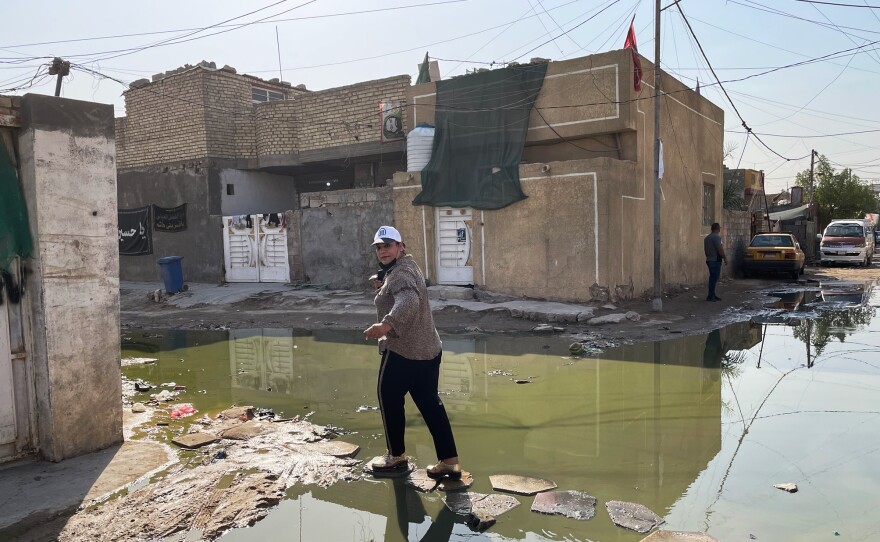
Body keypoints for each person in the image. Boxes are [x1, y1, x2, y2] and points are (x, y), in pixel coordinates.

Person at [363, 225, 462, 480]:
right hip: (429, 349)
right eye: (379, 247)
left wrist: (387, 324)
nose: (383, 251)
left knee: (388, 398)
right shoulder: (407, 267)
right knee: (431, 404)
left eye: (388, 246)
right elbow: (402, 289)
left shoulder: (399, 275)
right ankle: (450, 463)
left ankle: (396, 457)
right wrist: (382, 284)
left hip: (404, 351)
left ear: (400, 246)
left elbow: (408, 299)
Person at [704, 222, 727, 302]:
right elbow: (719, 249)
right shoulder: (716, 237)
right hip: (715, 260)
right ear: (718, 229)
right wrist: (725, 258)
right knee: (714, 278)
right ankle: (711, 296)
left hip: (709, 259)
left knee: (712, 278)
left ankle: (712, 294)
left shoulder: (707, 238)